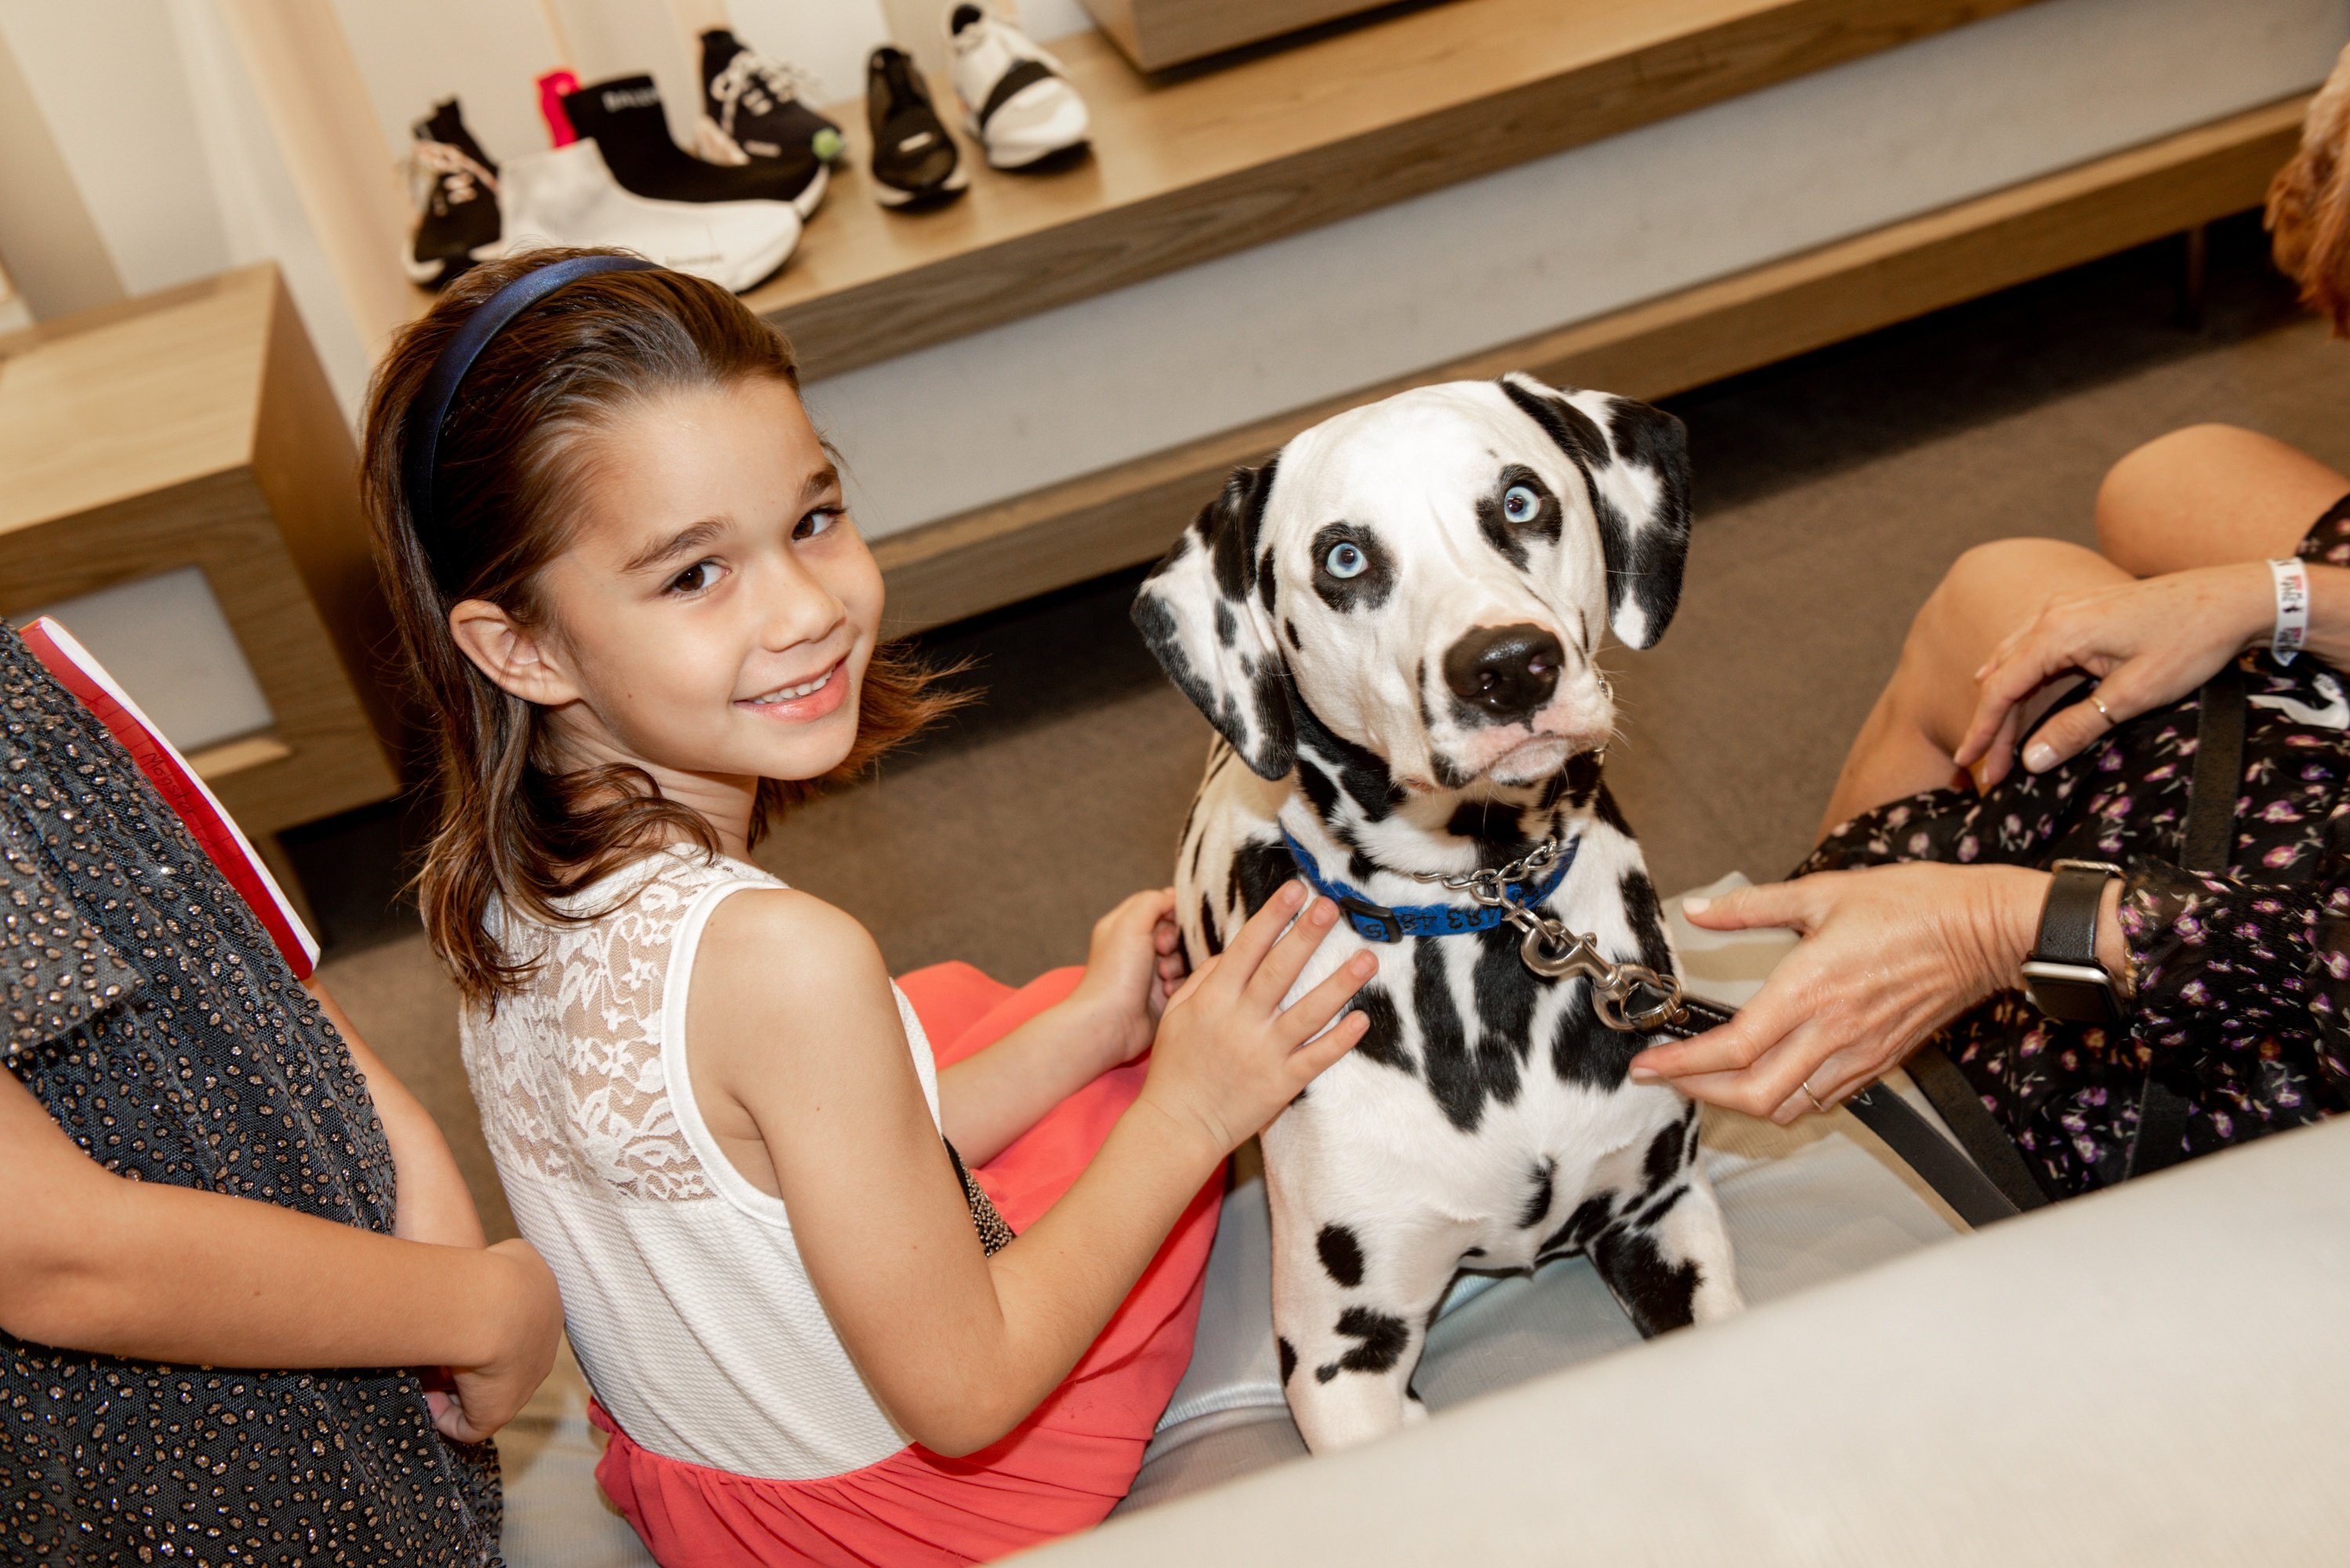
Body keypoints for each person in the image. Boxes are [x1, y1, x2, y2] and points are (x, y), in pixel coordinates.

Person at [361, 248, 1376, 1566]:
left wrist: (1089, 1036)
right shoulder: (782, 965)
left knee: (1042, 1016)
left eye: (812, 515)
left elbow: (788, 1178)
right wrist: (1190, 1104)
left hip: (701, 1488)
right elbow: (968, 1399)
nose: (806, 607)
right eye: (692, 574)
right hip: (916, 1512)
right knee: (1163, 1093)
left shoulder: (493, 881)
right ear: (520, 645)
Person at [1627, 77, 2350, 1197]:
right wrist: (2270, 600)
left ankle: (1851, 999)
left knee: (2003, 616)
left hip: (2284, 1012)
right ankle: (1847, 957)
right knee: (2160, 490)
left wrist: (2005, 922)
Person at [0, 624, 562, 1564]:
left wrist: (410, 1171)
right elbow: (54, 1254)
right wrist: (477, 1308)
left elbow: (216, 934)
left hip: (367, 1383)